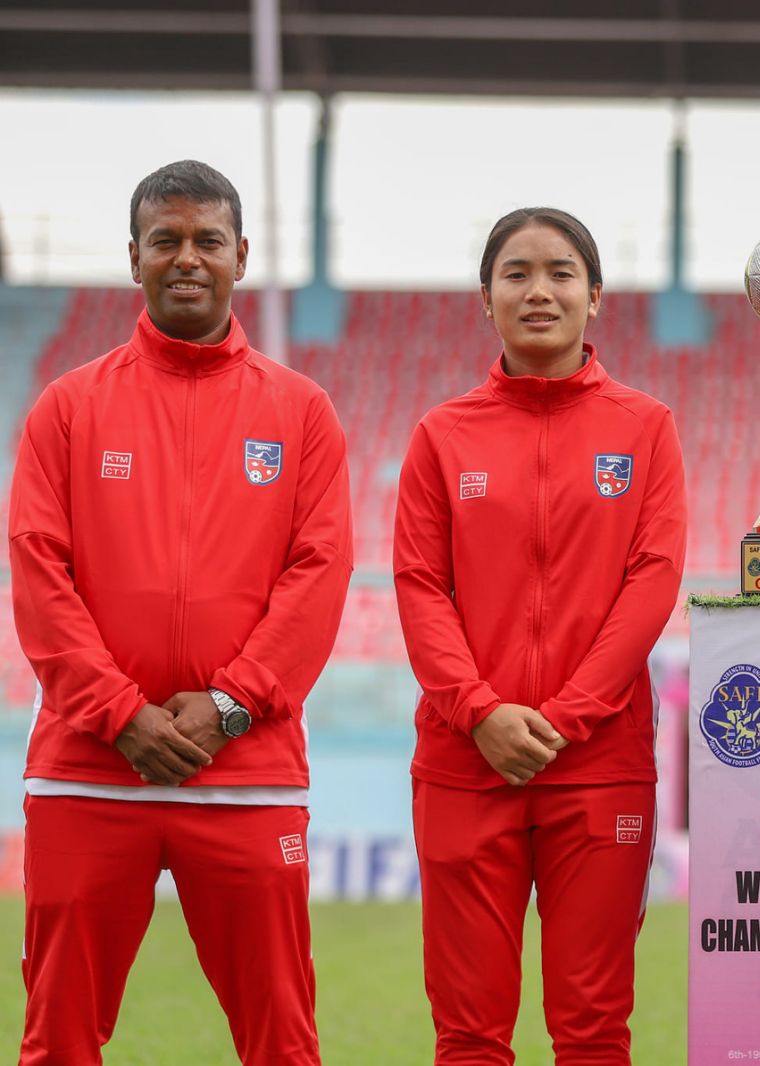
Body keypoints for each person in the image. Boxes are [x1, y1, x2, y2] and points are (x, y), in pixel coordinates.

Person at [9, 160, 353, 1064]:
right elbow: (40, 577)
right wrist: (120, 716)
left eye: (207, 241)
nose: (187, 258)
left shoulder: (302, 412)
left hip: (246, 773)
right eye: (166, 241)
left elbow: (320, 577)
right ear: (134, 259)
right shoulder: (68, 408)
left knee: (282, 1037)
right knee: (60, 1039)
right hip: (89, 772)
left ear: (242, 255)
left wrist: (232, 702)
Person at [394, 207, 687, 1065]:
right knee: (468, 1033)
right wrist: (479, 712)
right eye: (515, 273)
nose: (539, 290)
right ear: (486, 297)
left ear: (595, 297)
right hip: (462, 762)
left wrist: (567, 714)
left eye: (561, 272)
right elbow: (419, 587)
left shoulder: (646, 428)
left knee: (593, 1029)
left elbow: (653, 580)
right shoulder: (441, 437)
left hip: (597, 763)